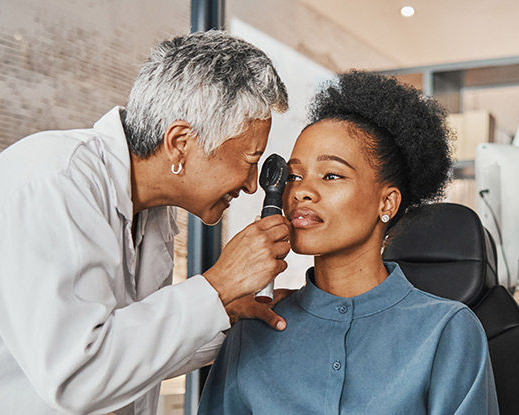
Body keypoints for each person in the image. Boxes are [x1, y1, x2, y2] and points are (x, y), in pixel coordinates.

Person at [0, 31, 293, 414]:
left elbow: (128, 359)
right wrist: (219, 283)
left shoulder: (151, 213)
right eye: (249, 159)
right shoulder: (53, 182)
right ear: (180, 142)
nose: (249, 184)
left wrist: (228, 314)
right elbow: (78, 375)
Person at [198, 72, 500, 414]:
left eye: (331, 175)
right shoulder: (251, 329)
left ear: (386, 203)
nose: (301, 192)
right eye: (294, 176)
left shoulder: (448, 332)